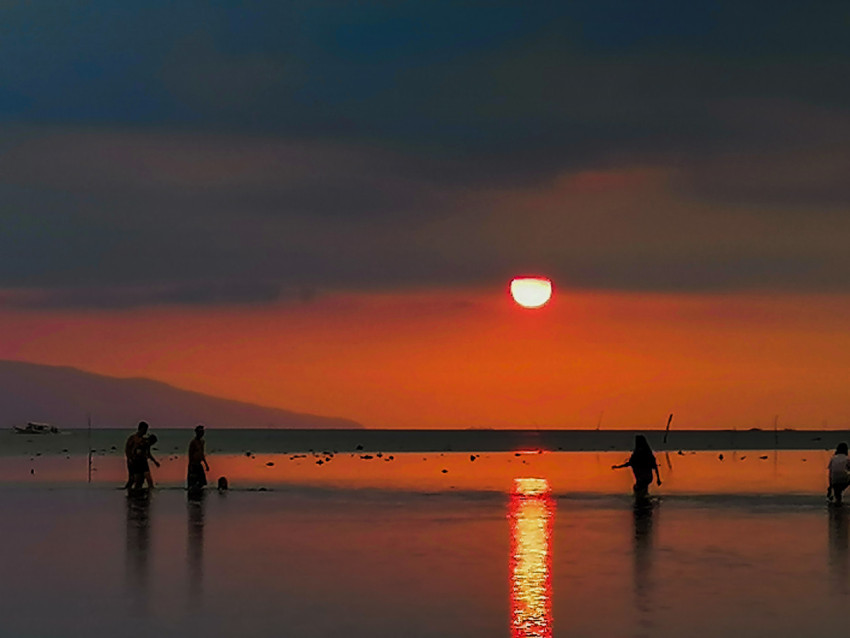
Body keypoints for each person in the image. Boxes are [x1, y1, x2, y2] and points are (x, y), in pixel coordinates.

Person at [123, 421, 149, 490]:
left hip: (140, 462)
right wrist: (130, 458)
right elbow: (127, 449)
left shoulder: (143, 440)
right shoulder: (133, 438)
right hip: (132, 461)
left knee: (141, 479)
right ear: (140, 429)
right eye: (144, 430)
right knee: (132, 479)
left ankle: (138, 493)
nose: (145, 432)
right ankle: (128, 491)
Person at [187, 425, 210, 493]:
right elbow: (190, 454)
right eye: (200, 432)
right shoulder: (193, 442)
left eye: (202, 432)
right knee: (192, 482)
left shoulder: (202, 442)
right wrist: (190, 465)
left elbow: (202, 454)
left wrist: (206, 464)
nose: (201, 434)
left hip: (199, 464)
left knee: (202, 482)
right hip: (193, 464)